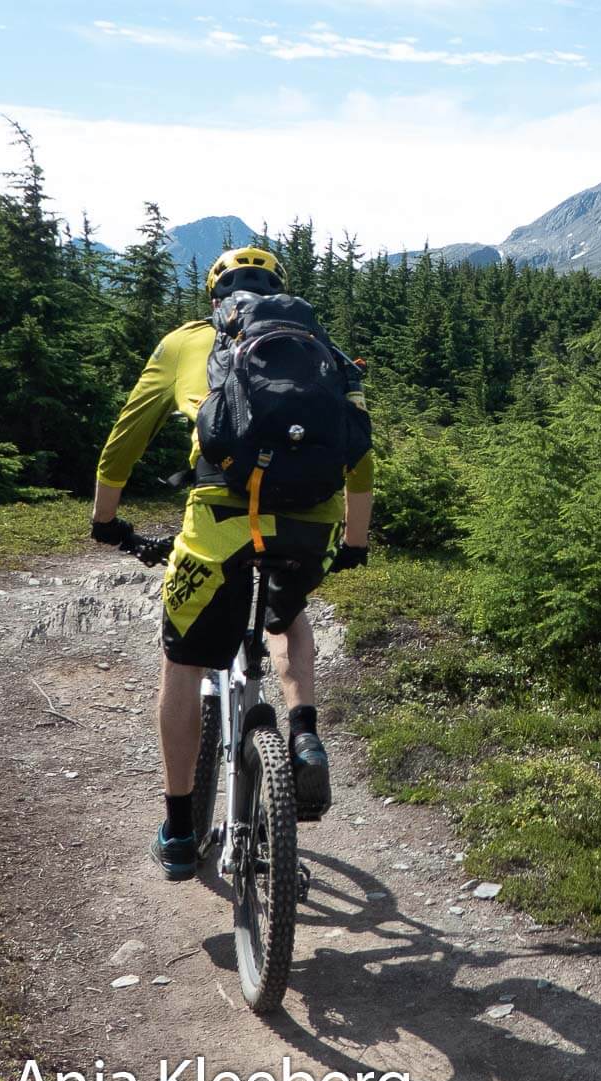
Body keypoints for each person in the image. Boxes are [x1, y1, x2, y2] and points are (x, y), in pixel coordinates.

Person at [88, 246, 373, 880]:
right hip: (309, 522)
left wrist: (107, 520)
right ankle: (302, 732)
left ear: (215, 298)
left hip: (218, 523)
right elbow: (359, 453)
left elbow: (123, 440)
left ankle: (181, 831)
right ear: (279, 292)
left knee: (184, 661)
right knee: (288, 615)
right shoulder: (314, 344)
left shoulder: (189, 342)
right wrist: (353, 542)